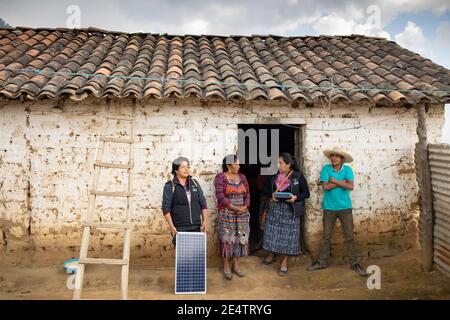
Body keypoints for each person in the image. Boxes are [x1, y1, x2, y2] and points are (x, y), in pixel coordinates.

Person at [307, 147, 367, 276]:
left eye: (337, 156)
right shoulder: (326, 169)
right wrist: (342, 182)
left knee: (349, 237)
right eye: (332, 156)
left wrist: (333, 180)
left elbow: (350, 186)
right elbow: (326, 187)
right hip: (329, 208)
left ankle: (354, 263)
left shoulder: (348, 170)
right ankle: (321, 262)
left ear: (342, 159)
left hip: (345, 208)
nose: (333, 158)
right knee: (326, 237)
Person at [261, 152, 310, 276]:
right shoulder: (274, 176)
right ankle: (271, 254)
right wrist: (271, 194)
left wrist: (295, 197)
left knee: (288, 237)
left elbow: (306, 193)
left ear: (288, 164)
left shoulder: (298, 176)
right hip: (275, 209)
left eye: (281, 163)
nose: (278, 165)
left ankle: (284, 262)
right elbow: (265, 190)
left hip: (291, 210)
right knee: (272, 233)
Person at [214, 154, 250, 280]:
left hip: (242, 214)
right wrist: (233, 207)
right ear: (229, 165)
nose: (238, 166)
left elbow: (248, 194)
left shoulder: (242, 177)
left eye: (239, 164)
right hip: (226, 214)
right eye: (236, 164)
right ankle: (226, 265)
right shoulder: (220, 177)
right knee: (227, 239)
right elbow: (220, 196)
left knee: (240, 238)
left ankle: (236, 265)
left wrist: (245, 206)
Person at [162, 157, 207, 246]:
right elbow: (166, 208)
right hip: (179, 227)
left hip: (196, 226)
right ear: (176, 170)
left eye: (187, 166)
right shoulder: (170, 186)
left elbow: (203, 203)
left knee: (195, 254)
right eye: (183, 167)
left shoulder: (195, 183)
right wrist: (172, 226)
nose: (186, 169)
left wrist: (205, 220)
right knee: (182, 256)